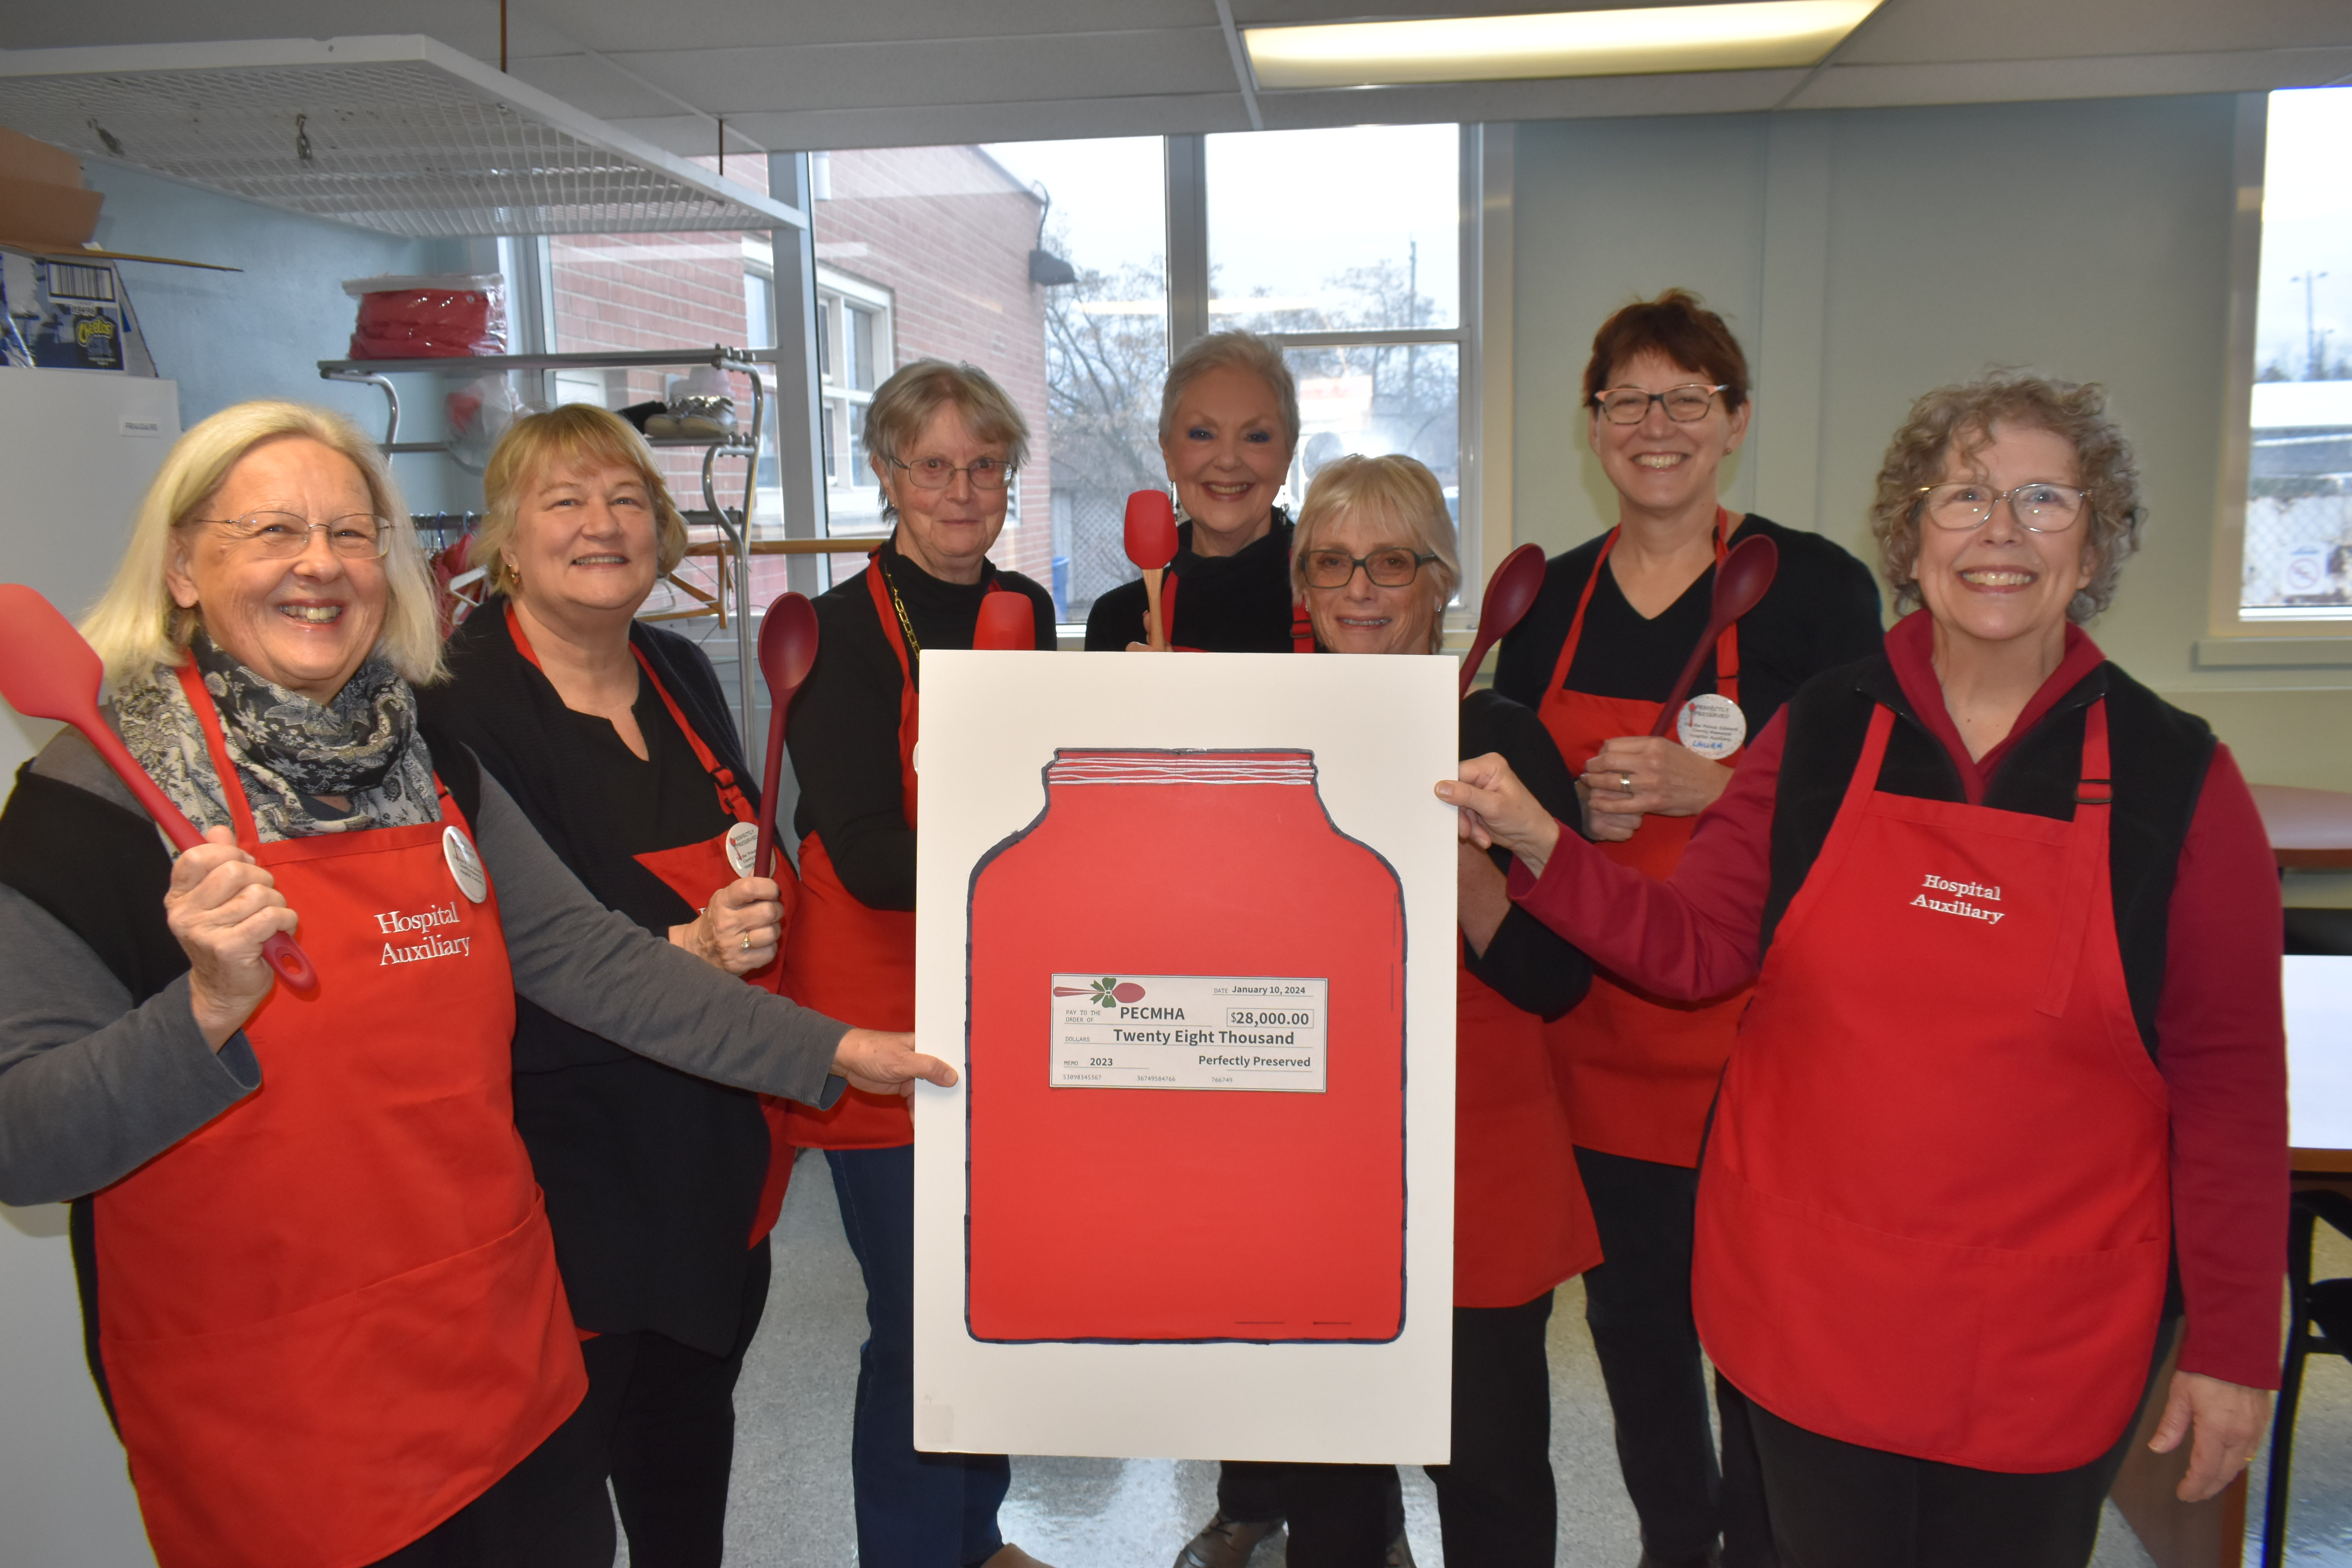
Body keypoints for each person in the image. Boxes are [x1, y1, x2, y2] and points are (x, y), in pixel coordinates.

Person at [0, 400, 952, 1568]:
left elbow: (588, 958)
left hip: (501, 1346)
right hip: (282, 1395)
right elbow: (24, 1140)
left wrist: (833, 1051)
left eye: (354, 535)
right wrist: (201, 1006)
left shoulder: (425, 749)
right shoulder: (90, 802)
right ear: (183, 566)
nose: (321, 564)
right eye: (272, 532)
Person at [1443, 374, 2287, 1568]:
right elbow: (1692, 950)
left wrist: (2232, 1346)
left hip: (2044, 1334)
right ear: (1908, 533)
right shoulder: (1825, 733)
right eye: (1963, 496)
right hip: (1810, 1313)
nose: (1998, 531)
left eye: (2042, 498)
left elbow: (2231, 1089)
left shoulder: (2175, 779)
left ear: (2094, 539)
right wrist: (1538, 841)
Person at [1489, 288, 1883, 1568]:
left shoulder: (1812, 587)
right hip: (1593, 1042)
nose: (1654, 425)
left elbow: (1869, 801)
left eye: (1687, 399)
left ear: (1736, 421)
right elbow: (1506, 797)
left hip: (1756, 1044)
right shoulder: (1543, 598)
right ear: (1592, 424)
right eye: (1626, 401)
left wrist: (1713, 788)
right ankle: (1674, 1547)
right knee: (1638, 1339)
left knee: (1765, 1345)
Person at [419, 403, 796, 1566]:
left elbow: (737, 841)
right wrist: (679, 947)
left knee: (689, 1459)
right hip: (565, 1162)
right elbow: (483, 945)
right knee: (560, 1492)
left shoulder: (678, 667)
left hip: (706, 1144)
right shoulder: (455, 703)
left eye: (627, 499)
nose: (602, 524)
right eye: (564, 501)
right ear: (505, 539)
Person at [1252, 454, 1600, 1568]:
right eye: (1333, 563)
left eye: (1391, 561)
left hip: (1472, 1166)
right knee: (1332, 1500)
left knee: (1491, 1481)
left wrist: (1459, 871)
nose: (1361, 588)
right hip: (1308, 1173)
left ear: (1440, 584)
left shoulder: (1506, 740)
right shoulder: (1259, 734)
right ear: (1302, 588)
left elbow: (1559, 978)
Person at [779, 360, 1058, 1568]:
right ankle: (911, 1552)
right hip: (876, 1013)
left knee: (985, 1298)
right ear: (886, 475)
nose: (959, 489)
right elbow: (876, 858)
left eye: (983, 465)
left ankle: (975, 1532)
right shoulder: (834, 631)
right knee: (914, 1320)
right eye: (932, 465)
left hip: (995, 990)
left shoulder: (1026, 609)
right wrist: (1041, 848)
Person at [1084, 330, 1311, 653]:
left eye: (1256, 436)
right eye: (1203, 434)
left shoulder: (1336, 603)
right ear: (1169, 454)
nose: (1229, 460)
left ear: (1288, 454)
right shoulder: (1118, 619)